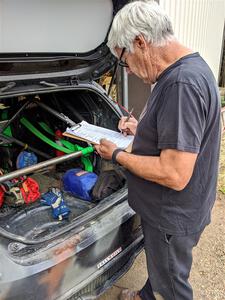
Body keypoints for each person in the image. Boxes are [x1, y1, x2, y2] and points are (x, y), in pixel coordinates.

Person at [95, 1, 221, 300]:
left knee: (173, 285)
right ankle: (146, 296)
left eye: (125, 62)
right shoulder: (193, 67)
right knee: (165, 267)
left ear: (140, 42)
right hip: (188, 206)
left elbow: (174, 174)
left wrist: (116, 154)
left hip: (172, 213)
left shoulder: (181, 84)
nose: (131, 71)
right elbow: (187, 134)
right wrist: (142, 129)